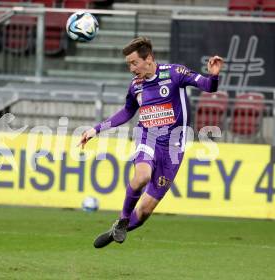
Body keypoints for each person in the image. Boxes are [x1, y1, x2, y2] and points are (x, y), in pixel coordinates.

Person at [78, 37, 224, 248]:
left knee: (145, 212)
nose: (131, 68)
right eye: (128, 64)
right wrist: (95, 129)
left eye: (133, 63)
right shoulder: (135, 85)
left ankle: (117, 230)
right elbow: (128, 111)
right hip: (148, 137)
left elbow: (209, 86)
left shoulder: (175, 73)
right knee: (142, 176)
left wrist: (214, 75)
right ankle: (122, 219)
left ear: (149, 59)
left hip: (174, 147)